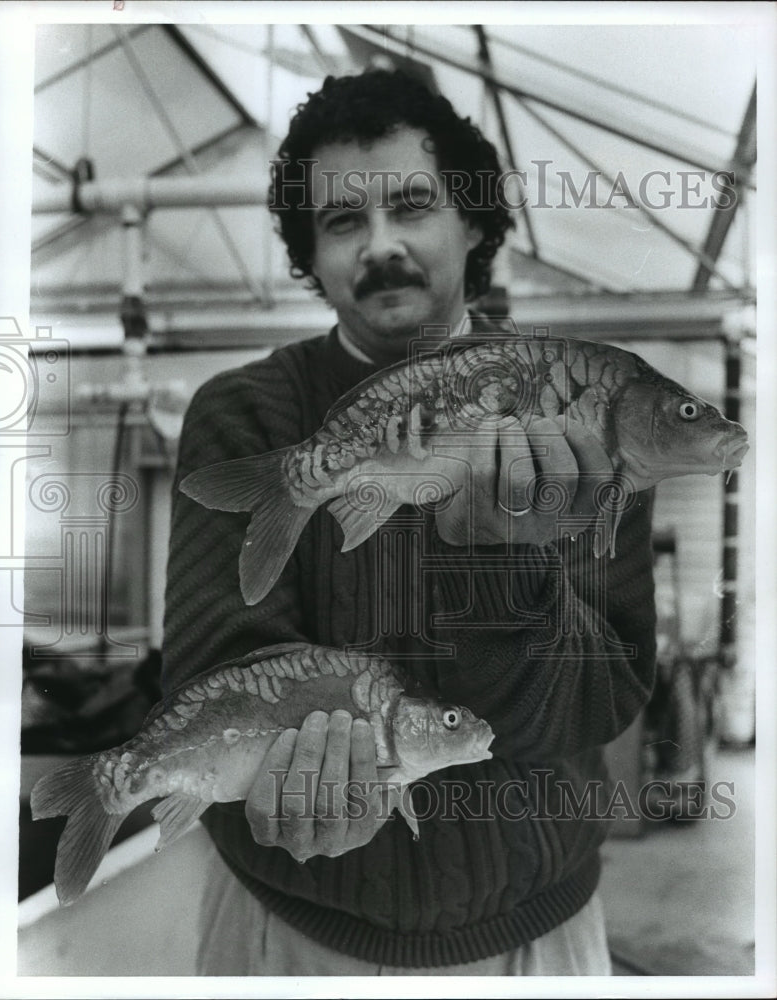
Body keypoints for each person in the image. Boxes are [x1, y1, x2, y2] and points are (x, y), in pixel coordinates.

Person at [162, 69, 657, 976]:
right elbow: (212, 682)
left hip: (533, 931)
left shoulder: (589, 404)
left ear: (473, 222)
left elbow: (602, 701)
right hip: (290, 932)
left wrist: (500, 571)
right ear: (309, 252)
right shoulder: (244, 415)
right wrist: (287, 787)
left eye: (411, 204)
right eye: (343, 221)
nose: (380, 244)